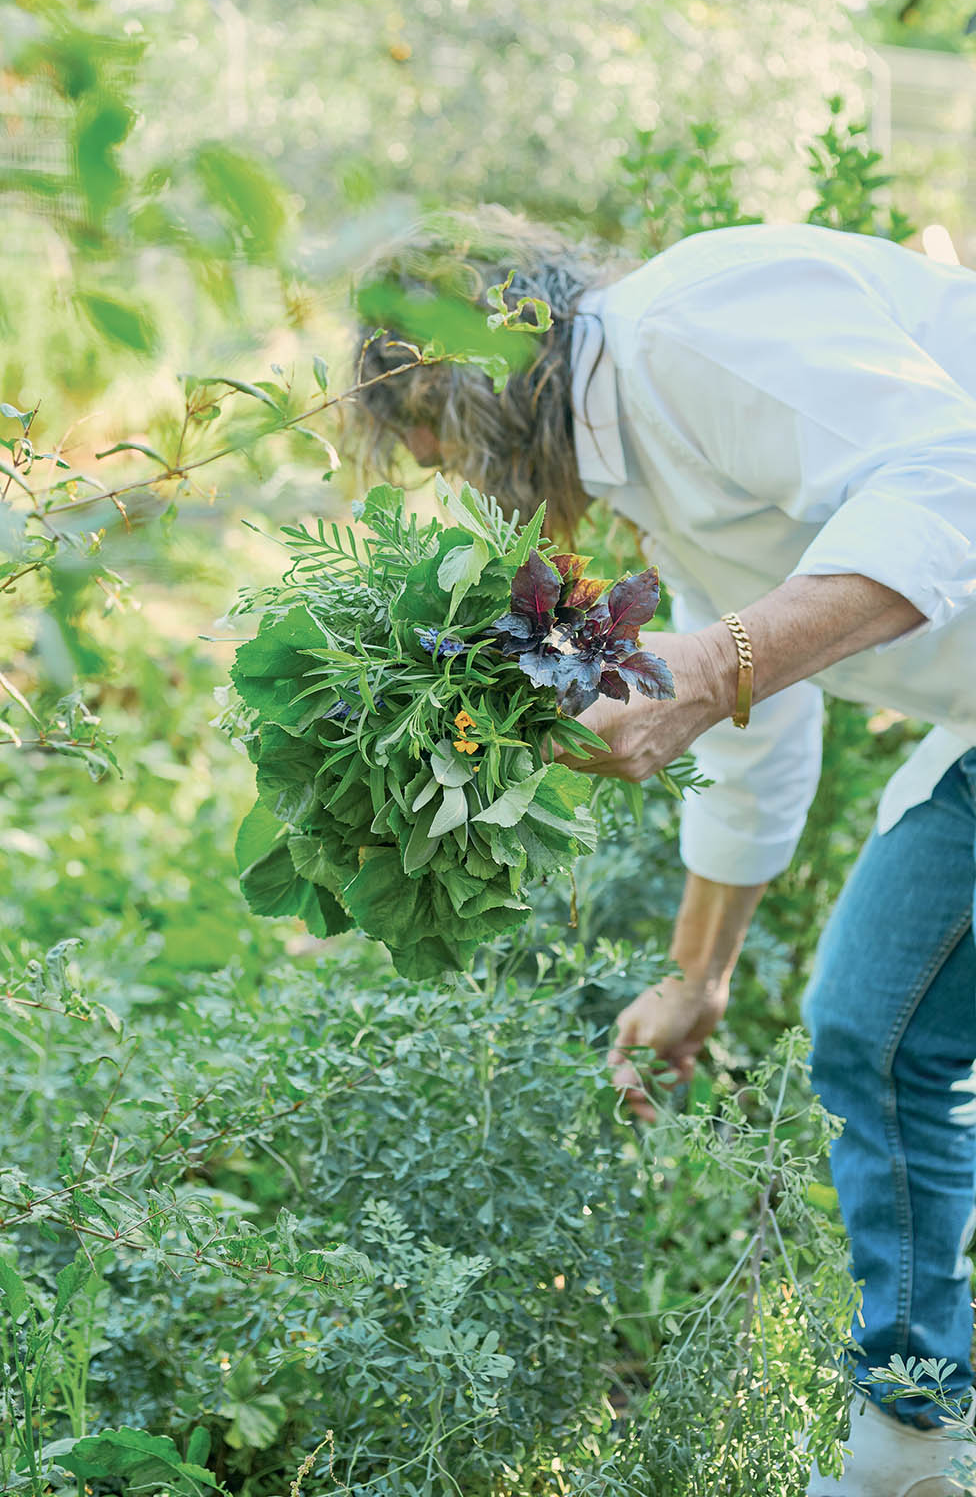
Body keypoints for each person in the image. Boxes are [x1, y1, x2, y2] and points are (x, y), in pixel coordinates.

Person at [353, 206, 976, 1497]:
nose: (470, 491)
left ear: (475, 378)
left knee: (882, 1016)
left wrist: (704, 666)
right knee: (875, 1017)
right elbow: (755, 716)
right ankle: (912, 1449)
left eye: (446, 456)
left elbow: (953, 474)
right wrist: (698, 973)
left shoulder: (687, 337)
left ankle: (909, 1452)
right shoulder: (643, 456)